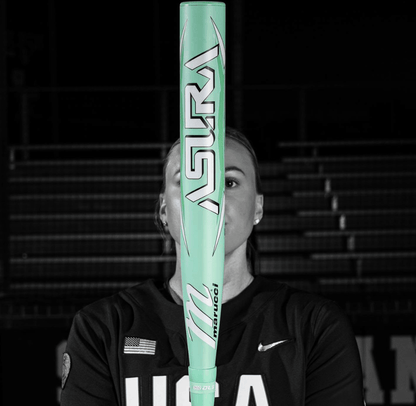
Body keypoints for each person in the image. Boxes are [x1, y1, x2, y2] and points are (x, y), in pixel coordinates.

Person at [60, 128, 365, 405]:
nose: (207, 197)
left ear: (258, 206)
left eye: (229, 182)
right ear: (164, 209)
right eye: (190, 181)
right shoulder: (104, 328)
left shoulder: (314, 327)